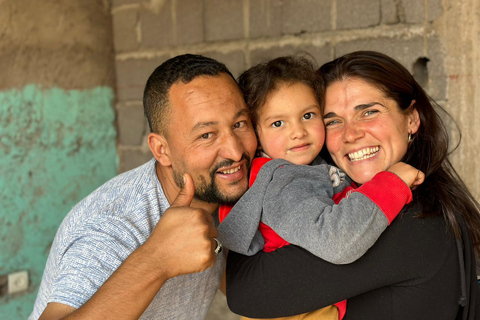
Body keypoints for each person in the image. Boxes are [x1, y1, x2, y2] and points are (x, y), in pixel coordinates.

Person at [225, 51, 480, 319]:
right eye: (333, 121)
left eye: (369, 112)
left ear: (412, 119)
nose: (351, 134)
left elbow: (246, 291)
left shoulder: (413, 223)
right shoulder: (354, 198)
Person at [29, 54, 258, 320]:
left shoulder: (224, 190)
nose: (235, 150)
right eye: (206, 135)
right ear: (162, 150)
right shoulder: (115, 224)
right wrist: (157, 260)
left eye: (239, 124)